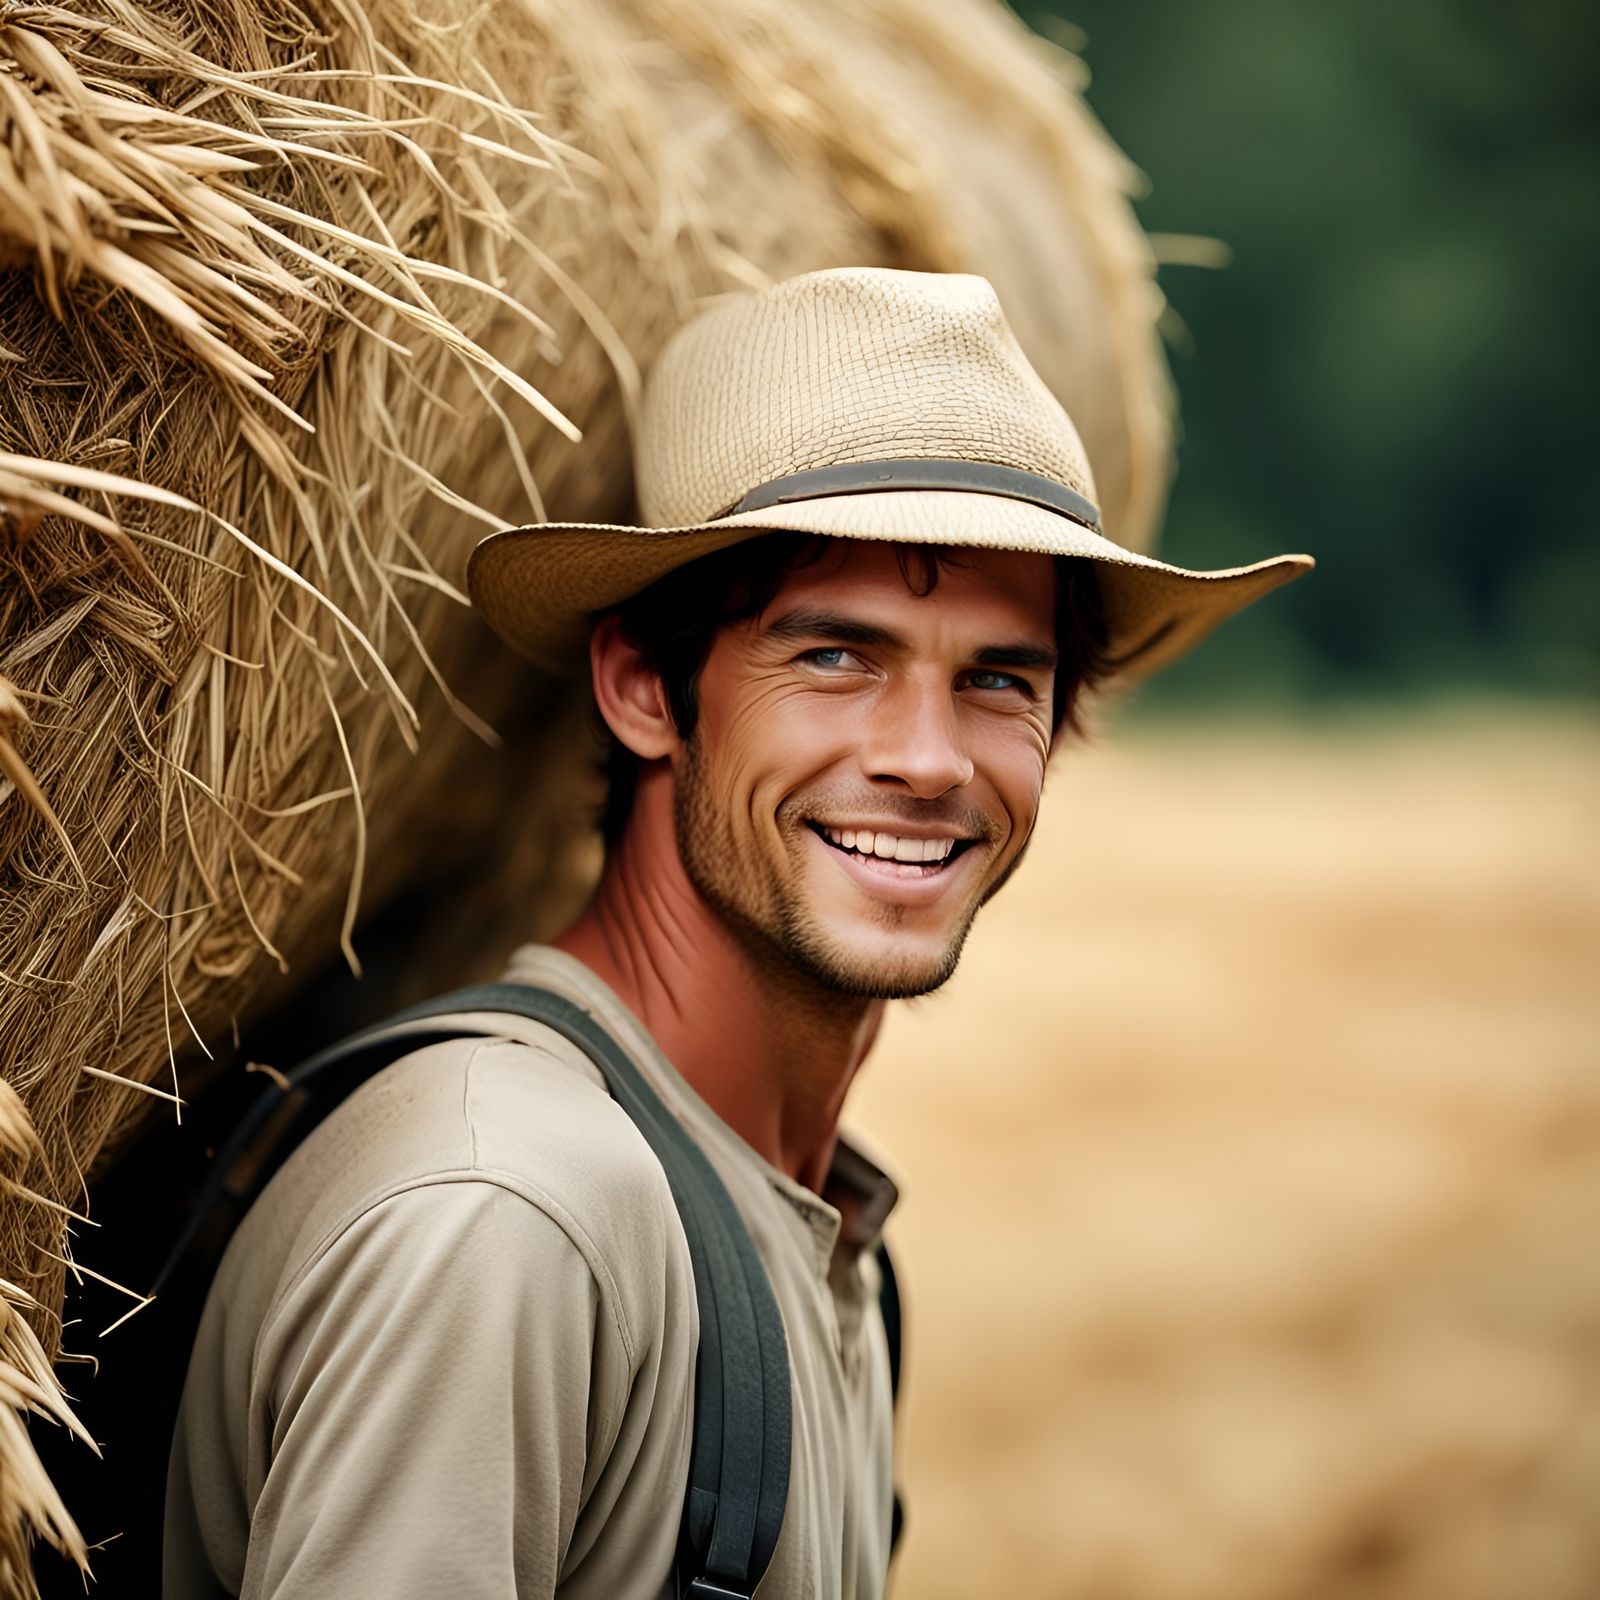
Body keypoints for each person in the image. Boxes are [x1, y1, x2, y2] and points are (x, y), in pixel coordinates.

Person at [163, 267, 1310, 1598]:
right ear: (647, 687)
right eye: (835, 657)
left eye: (1000, 679)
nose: (929, 760)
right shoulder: (509, 1217)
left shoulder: (812, 1233)